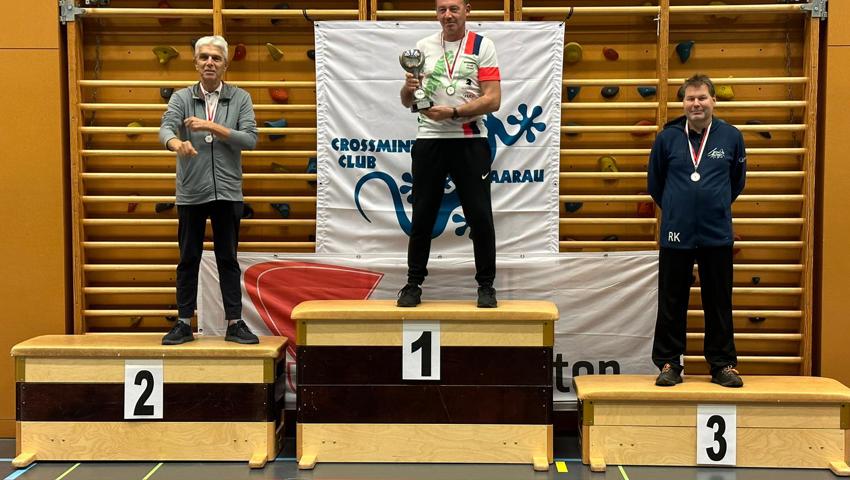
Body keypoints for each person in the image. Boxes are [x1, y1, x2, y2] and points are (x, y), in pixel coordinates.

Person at [397, 0, 501, 308]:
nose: (448, 16)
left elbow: (493, 99)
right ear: (436, 13)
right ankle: (413, 284)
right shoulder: (422, 47)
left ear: (467, 10)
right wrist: (408, 86)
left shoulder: (482, 45)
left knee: (479, 215)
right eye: (442, 10)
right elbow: (407, 101)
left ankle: (486, 286)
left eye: (454, 9)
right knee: (423, 215)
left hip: (470, 140)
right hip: (430, 139)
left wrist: (455, 112)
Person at [159, 35, 259, 345]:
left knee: (227, 258)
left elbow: (250, 139)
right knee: (188, 257)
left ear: (226, 64)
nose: (209, 62)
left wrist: (212, 127)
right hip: (191, 191)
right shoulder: (181, 98)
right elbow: (166, 127)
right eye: (203, 57)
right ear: (195, 63)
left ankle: (234, 322)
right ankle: (184, 322)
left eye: (216, 58)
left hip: (228, 192)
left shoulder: (240, 98)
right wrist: (176, 143)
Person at [648, 73, 746, 387]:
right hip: (676, 233)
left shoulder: (731, 136)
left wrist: (712, 205)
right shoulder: (667, 138)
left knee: (718, 300)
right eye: (690, 99)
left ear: (713, 101)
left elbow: (736, 181)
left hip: (716, 232)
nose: (696, 104)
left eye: (702, 98)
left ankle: (722, 365)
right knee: (671, 300)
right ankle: (668, 363)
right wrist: (679, 208)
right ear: (683, 103)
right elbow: (655, 183)